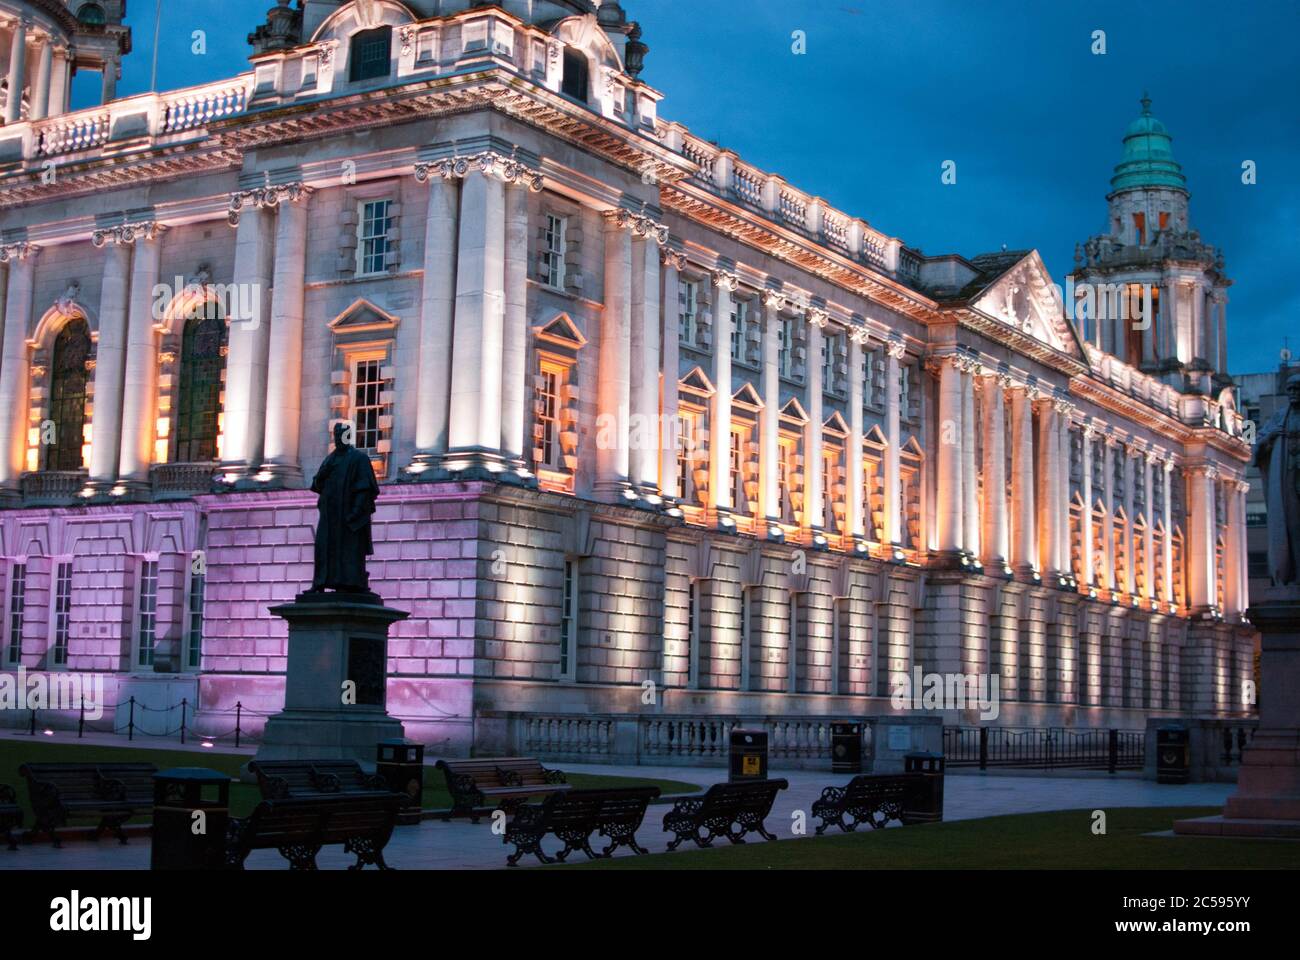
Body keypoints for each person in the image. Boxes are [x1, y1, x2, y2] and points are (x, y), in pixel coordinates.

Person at [308, 422, 380, 596]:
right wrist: (321, 476)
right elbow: (317, 484)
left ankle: (349, 583)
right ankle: (321, 582)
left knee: (349, 551)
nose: (339, 438)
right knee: (324, 548)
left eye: (342, 434)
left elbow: (365, 488)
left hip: (348, 516)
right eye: (337, 435)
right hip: (329, 515)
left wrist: (356, 511)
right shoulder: (330, 459)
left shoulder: (359, 458)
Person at [1254, 373, 1300, 587]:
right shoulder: (1279, 417)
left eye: (1297, 389)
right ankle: (1291, 575)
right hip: (1287, 477)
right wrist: (1269, 440)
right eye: (1290, 390)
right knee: (1291, 526)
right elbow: (1257, 443)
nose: (1293, 394)